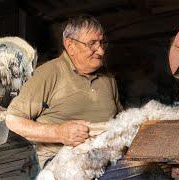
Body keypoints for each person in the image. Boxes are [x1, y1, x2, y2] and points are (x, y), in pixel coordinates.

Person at [6, 15, 122, 169]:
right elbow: (12, 120)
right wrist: (59, 132)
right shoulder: (48, 73)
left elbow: (120, 119)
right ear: (70, 45)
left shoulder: (108, 78)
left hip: (107, 157)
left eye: (102, 43)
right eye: (92, 44)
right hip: (61, 161)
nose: (100, 51)